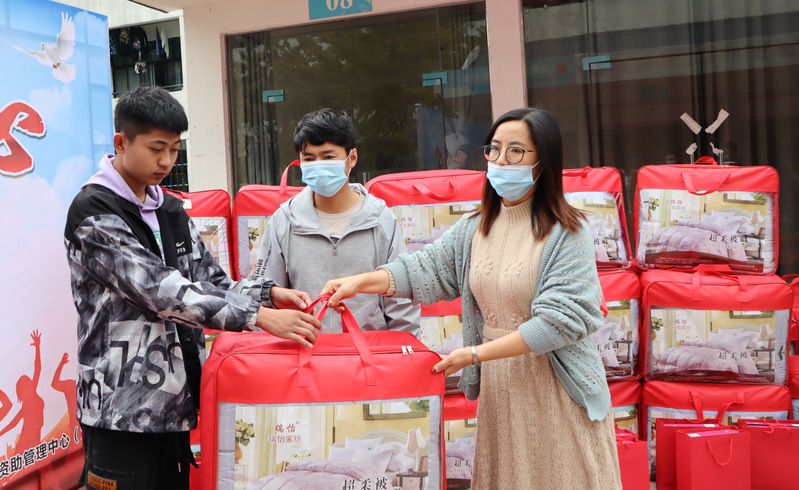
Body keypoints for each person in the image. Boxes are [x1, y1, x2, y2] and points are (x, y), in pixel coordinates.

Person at [323, 107, 622, 489]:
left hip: (557, 388)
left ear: (544, 161)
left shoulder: (568, 232)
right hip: (502, 389)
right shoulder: (475, 228)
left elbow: (559, 323)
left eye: (515, 151)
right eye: (494, 149)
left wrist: (476, 354)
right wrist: (360, 282)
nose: (500, 160)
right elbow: (425, 269)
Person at [63, 86, 321, 490]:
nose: (167, 161)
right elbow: (161, 291)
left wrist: (267, 294)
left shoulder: (169, 210)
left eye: (175, 149)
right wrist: (259, 317)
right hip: (117, 411)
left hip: (173, 406)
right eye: (156, 148)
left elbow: (211, 280)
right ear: (121, 142)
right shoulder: (94, 212)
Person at [254, 108, 420, 334]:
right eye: (309, 159)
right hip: (305, 348)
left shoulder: (381, 219)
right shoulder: (284, 220)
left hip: (368, 350)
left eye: (328, 157)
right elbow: (266, 295)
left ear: (352, 158)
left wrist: (404, 349)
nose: (318, 165)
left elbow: (401, 296)